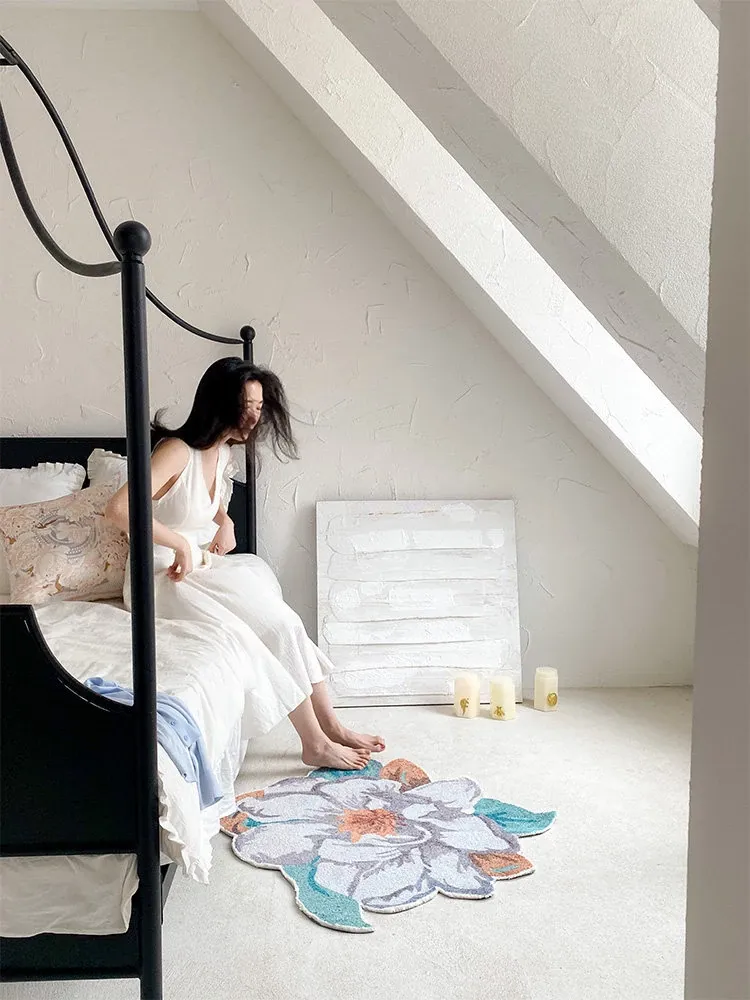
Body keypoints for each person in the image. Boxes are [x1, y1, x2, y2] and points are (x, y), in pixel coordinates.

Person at [105, 357, 384, 771]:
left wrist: (226, 521)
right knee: (247, 634)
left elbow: (198, 499)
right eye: (246, 405)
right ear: (218, 404)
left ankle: (333, 726)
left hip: (199, 565)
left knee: (283, 623)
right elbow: (119, 509)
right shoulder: (175, 451)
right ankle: (314, 744)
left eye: (259, 406)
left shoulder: (221, 453)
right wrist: (179, 542)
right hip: (161, 576)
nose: (255, 416)